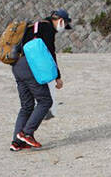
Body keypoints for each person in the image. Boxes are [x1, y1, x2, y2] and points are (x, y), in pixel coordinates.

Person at [10, 9, 72, 151]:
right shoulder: (48, 28)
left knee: (26, 106)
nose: (63, 28)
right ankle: (26, 133)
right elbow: (49, 53)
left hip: (17, 65)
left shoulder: (33, 25)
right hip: (30, 67)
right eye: (65, 24)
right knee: (45, 101)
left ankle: (16, 142)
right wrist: (57, 76)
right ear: (60, 20)